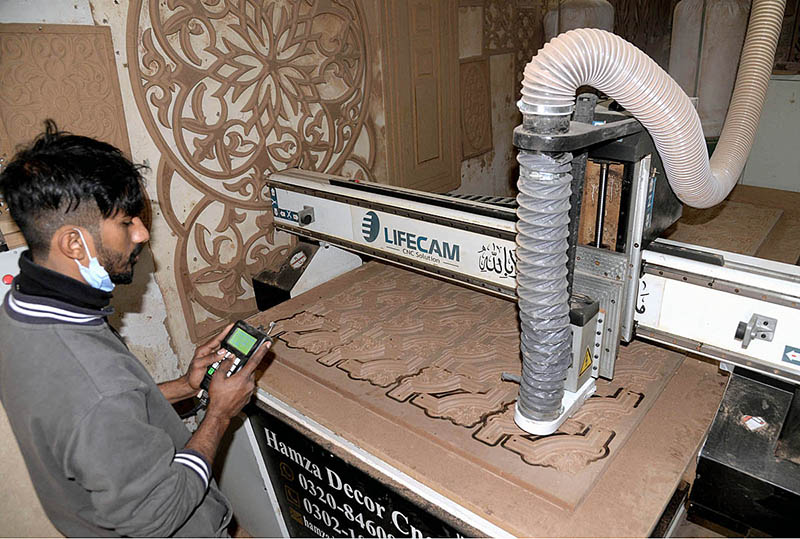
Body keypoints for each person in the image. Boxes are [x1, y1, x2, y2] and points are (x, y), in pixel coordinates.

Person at [0, 120, 268, 537]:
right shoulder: (96, 388)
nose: (142, 234)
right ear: (74, 244)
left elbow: (97, 421)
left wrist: (184, 386)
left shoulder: (19, 310)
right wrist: (219, 413)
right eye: (127, 223)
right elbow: (159, 514)